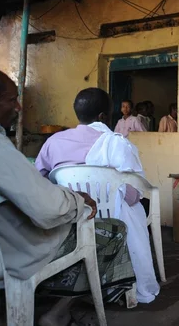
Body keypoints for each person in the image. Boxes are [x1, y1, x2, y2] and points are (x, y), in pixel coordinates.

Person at [0, 65, 134, 326]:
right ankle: (57, 314)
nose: (19, 107)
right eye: (12, 100)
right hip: (5, 255)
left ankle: (6, 313)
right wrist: (77, 201)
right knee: (109, 231)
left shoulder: (54, 141)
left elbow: (38, 177)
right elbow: (48, 209)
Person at [35, 88, 160, 304]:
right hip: (111, 223)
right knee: (135, 206)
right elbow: (132, 196)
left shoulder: (53, 142)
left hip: (69, 218)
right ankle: (121, 283)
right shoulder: (117, 143)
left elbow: (39, 180)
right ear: (103, 116)